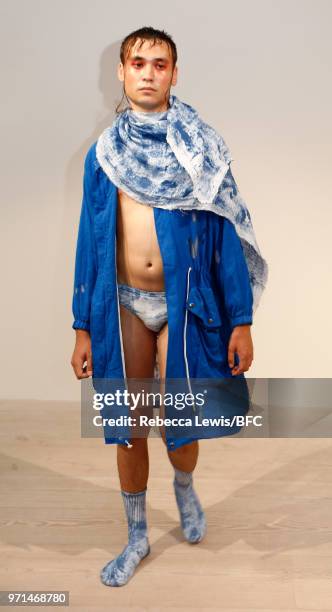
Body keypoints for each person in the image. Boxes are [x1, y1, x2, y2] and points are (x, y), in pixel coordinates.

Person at [70, 26, 268, 587]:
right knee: (128, 424)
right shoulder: (103, 156)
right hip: (124, 305)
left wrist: (242, 321)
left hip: (187, 305)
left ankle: (184, 488)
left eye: (160, 64)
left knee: (181, 427)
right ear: (122, 72)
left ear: (174, 74)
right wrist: (82, 326)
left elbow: (228, 240)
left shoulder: (201, 150)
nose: (149, 73)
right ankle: (136, 535)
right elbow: (89, 241)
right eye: (138, 63)